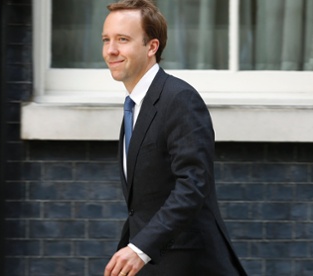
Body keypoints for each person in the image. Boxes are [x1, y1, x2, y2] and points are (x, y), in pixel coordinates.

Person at [101, 0, 248, 275]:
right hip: (153, 261)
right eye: (106, 39)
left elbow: (193, 184)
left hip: (190, 264)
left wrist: (140, 248)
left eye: (122, 39)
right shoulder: (134, 106)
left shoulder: (179, 99)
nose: (111, 50)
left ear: (151, 47)